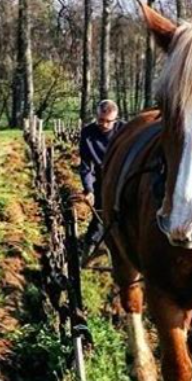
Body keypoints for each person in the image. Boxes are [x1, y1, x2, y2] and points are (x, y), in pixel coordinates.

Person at [79, 99, 124, 261]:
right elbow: (86, 166)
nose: (104, 125)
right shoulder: (88, 133)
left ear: (115, 119)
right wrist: (88, 189)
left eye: (108, 122)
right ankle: (89, 251)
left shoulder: (125, 130)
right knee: (100, 215)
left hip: (123, 177)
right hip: (102, 179)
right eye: (100, 120)